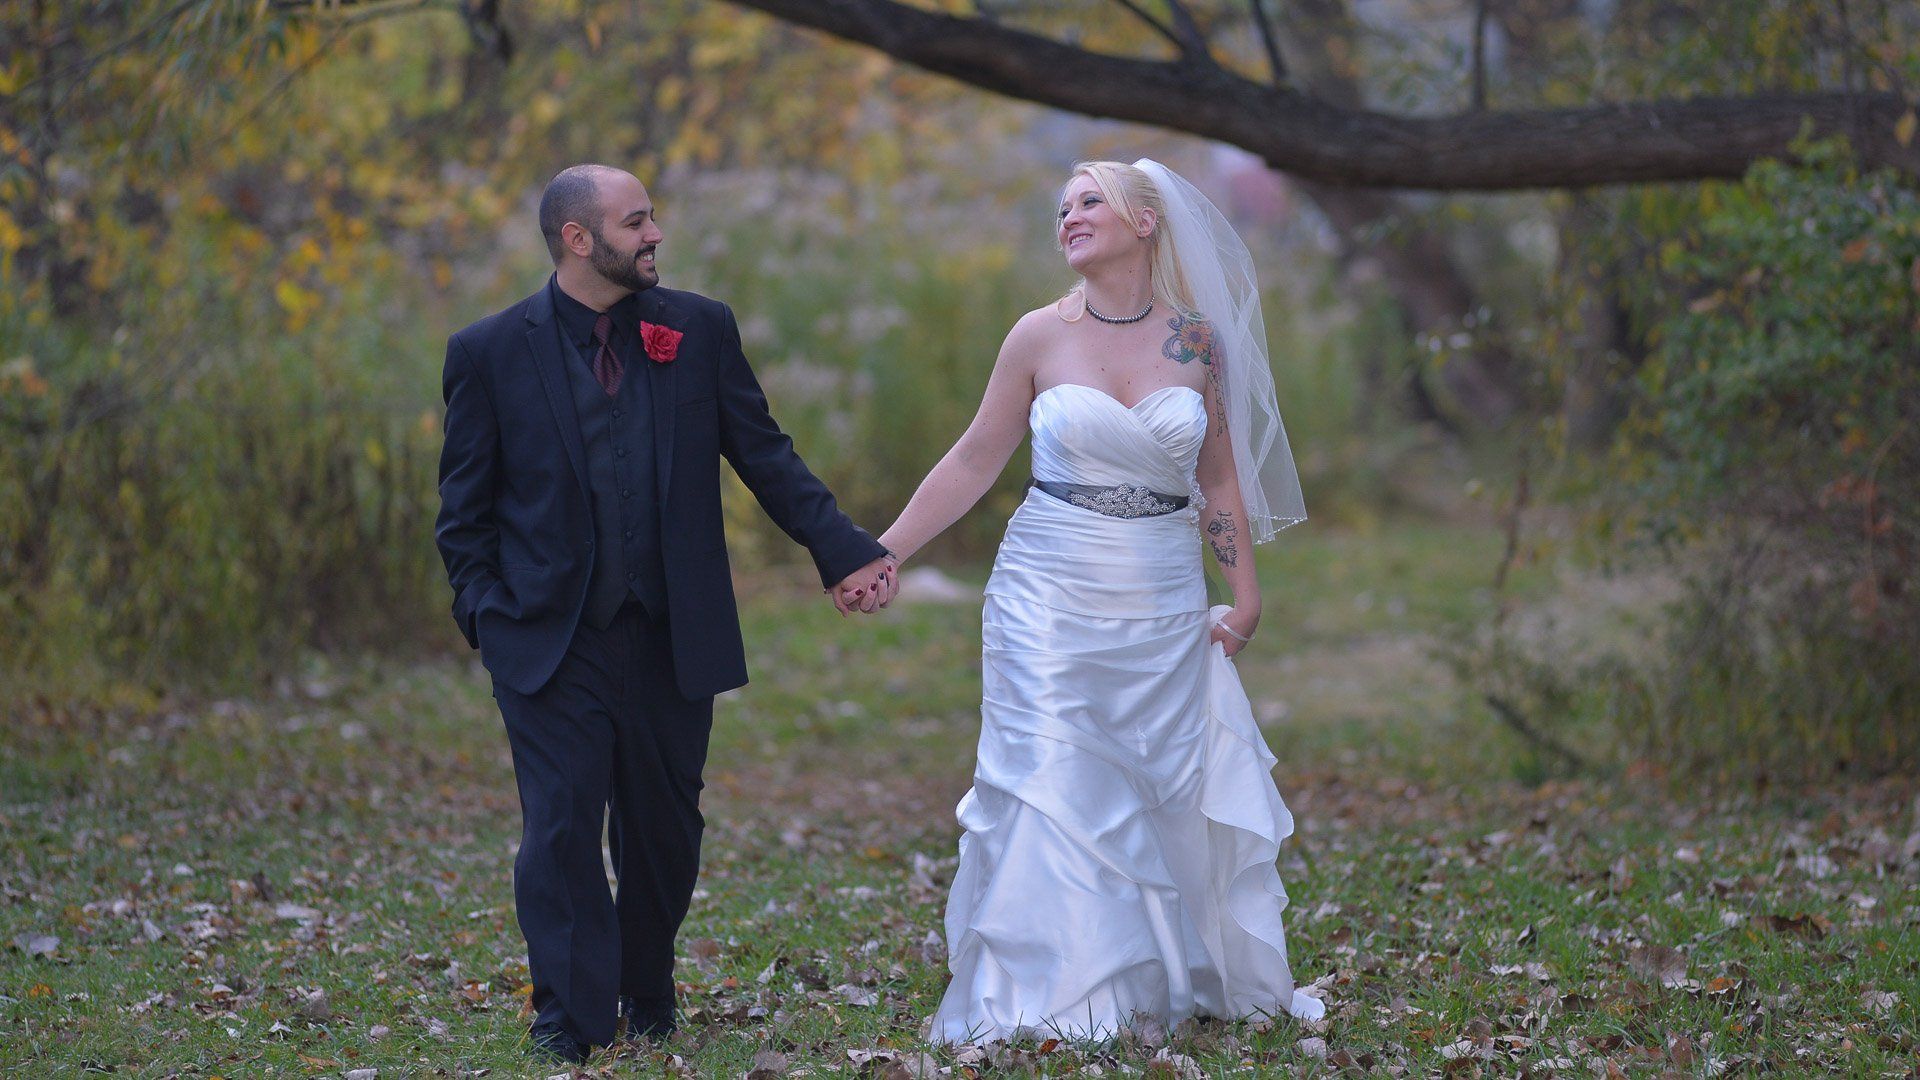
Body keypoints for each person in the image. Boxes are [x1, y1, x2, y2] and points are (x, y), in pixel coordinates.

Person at [434, 164, 897, 1064]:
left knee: (662, 831)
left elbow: (766, 454)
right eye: (635, 221)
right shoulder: (488, 352)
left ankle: (647, 986)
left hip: (673, 632)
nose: (654, 234)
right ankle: (568, 1016)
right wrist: (488, 617)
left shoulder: (697, 328)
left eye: (651, 218)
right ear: (578, 238)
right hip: (546, 639)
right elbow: (464, 514)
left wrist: (845, 548)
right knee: (561, 827)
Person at [877, 159, 1322, 1042]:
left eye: (1090, 201)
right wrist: (882, 553)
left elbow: (1221, 474)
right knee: (1053, 777)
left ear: (1147, 221)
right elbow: (973, 460)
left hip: (1159, 591)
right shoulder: (1035, 336)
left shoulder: (1196, 342)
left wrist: (1245, 591)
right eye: (1062, 207)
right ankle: (1054, 1000)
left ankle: (1153, 976)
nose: (1069, 216)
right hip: (1046, 586)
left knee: (1153, 786)